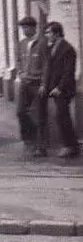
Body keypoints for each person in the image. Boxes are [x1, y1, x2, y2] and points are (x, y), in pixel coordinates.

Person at [41, 21, 78, 159]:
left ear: (56, 33)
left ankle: (70, 146)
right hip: (55, 89)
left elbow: (68, 72)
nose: (47, 35)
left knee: (63, 116)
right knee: (61, 116)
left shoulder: (67, 49)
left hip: (64, 89)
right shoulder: (54, 47)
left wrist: (59, 88)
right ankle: (69, 145)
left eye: (48, 32)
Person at [15, 16, 47, 154]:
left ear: (34, 28)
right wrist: (20, 72)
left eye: (26, 27)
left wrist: (44, 84)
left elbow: (47, 65)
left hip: (38, 83)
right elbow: (18, 60)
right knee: (21, 111)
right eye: (23, 28)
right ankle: (29, 138)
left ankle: (41, 147)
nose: (24, 30)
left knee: (39, 114)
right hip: (25, 82)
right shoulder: (21, 43)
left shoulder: (42, 43)